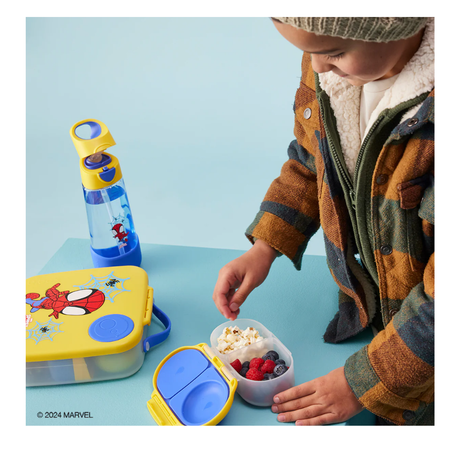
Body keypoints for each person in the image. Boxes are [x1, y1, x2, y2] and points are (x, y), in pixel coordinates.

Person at [212, 17, 434, 426]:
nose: (315, 67)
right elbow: (312, 162)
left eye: (333, 52)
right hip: (382, 314)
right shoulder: (328, 71)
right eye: (307, 51)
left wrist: (362, 382)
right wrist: (266, 245)